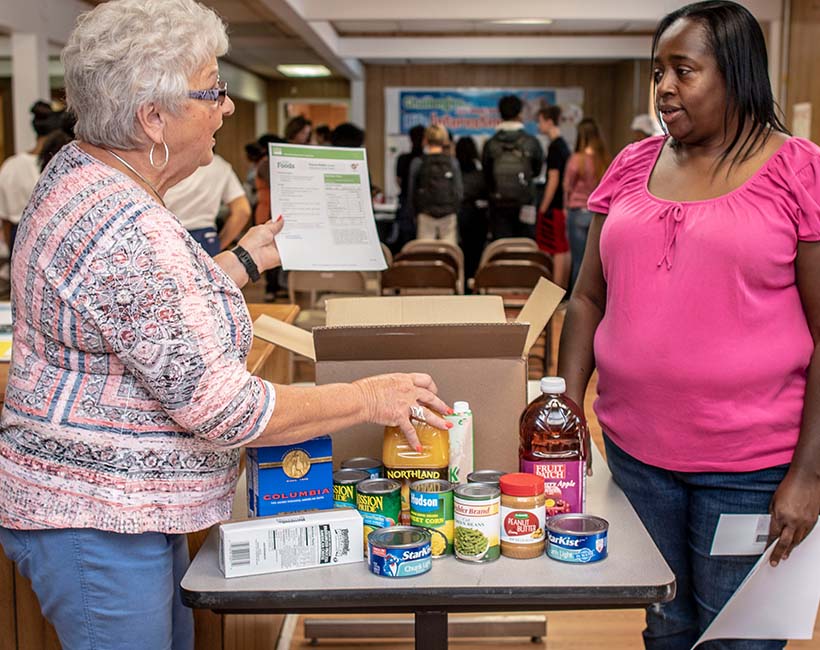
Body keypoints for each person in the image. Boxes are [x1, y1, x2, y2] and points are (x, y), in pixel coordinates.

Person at [0, 2, 453, 649]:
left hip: (115, 506)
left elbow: (146, 313)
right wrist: (368, 398)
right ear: (152, 116)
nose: (228, 107)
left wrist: (247, 257)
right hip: (96, 519)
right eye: (211, 90)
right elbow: (227, 410)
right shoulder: (130, 229)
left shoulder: (85, 172)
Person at [557, 2, 820, 649]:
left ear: (736, 74)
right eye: (658, 71)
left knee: (740, 638)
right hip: (639, 456)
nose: (664, 88)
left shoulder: (798, 170)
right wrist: (563, 407)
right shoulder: (631, 164)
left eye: (683, 70)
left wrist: (811, 475)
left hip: (753, 466)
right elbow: (587, 298)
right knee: (668, 624)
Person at [164, 152, 252, 255]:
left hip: (166, 237)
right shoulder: (219, 165)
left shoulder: (158, 162)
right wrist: (218, 244)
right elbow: (242, 211)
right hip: (206, 239)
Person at [482, 94, 543, 240]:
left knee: (501, 247)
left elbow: (487, 175)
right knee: (525, 246)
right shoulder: (531, 142)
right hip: (526, 201)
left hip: (499, 204)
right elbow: (536, 171)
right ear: (520, 113)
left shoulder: (491, 144)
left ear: (500, 114)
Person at [0, 101, 57, 255]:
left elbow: (5, 219)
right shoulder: (55, 166)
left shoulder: (11, 166)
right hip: (46, 239)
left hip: (16, 237)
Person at [562, 117, 610, 294]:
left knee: (579, 262)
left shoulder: (576, 160)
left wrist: (565, 208)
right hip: (598, 215)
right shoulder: (604, 160)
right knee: (596, 265)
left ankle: (576, 300)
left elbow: (567, 187)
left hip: (577, 212)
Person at [407, 124, 463, 244]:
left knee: (425, 255)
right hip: (448, 215)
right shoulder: (452, 162)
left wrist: (414, 215)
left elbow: (411, 193)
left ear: (425, 140)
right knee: (449, 255)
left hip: (425, 214)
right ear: (445, 141)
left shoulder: (418, 163)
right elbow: (459, 192)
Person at [536, 105, 571, 288]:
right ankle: (561, 289)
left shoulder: (555, 147)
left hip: (555, 205)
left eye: (540, 121)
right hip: (562, 204)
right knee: (563, 248)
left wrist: (543, 206)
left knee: (558, 248)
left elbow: (553, 179)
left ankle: (556, 290)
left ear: (549, 122)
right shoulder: (563, 145)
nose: (538, 125)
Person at [455, 136, 488, 281]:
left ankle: (461, 279)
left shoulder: (455, 173)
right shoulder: (481, 174)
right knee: (475, 252)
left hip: (459, 216)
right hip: (478, 218)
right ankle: (474, 279)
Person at [394, 124, 426, 251]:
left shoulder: (403, 159)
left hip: (405, 203)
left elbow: (399, 181)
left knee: (406, 244)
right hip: (422, 206)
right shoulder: (426, 160)